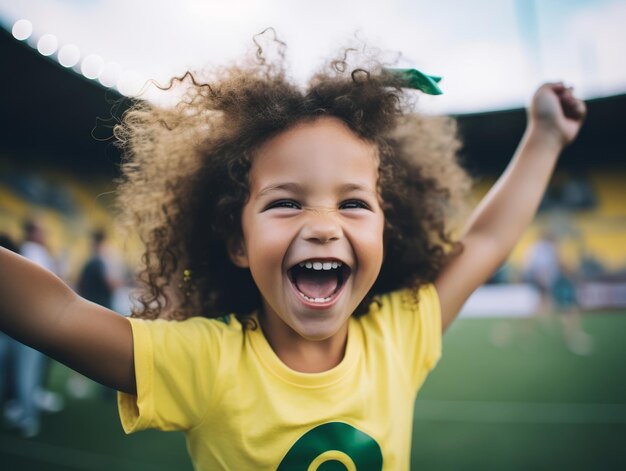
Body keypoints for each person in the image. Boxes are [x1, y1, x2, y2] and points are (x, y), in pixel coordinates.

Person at [0, 38, 585, 468]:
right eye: (286, 204)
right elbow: (55, 314)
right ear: (236, 241)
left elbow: (483, 240)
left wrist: (545, 136)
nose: (324, 227)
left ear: (389, 228)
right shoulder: (204, 365)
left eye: (353, 204)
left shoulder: (401, 336)